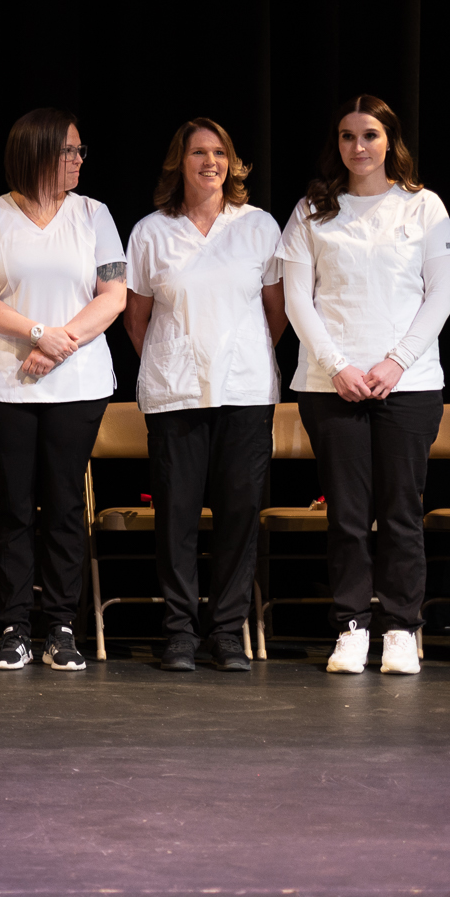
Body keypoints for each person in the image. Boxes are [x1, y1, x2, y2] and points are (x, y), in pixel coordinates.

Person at [281, 96, 450, 675]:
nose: (357, 146)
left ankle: (403, 629)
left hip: (407, 384)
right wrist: (338, 365)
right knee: (348, 514)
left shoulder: (423, 207)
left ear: (390, 142)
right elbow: (296, 301)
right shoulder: (312, 210)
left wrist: (396, 362)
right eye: (347, 136)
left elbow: (441, 296)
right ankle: (352, 625)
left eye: (370, 135)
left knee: (402, 512)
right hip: (329, 382)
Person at [0, 107, 127, 672]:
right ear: (37, 153)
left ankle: (59, 625)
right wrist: (35, 333)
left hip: (76, 382)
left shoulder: (95, 214)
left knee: (63, 506)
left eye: (81, 151)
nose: (79, 160)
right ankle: (13, 626)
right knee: (14, 506)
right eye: (69, 151)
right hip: (4, 382)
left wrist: (60, 342)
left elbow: (113, 295)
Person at [123, 118, 285, 673]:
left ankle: (227, 633)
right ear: (180, 162)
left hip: (245, 390)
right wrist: (177, 358)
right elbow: (136, 318)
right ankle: (178, 633)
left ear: (232, 163)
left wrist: (241, 352)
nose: (210, 162)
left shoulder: (259, 226)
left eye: (220, 153)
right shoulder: (150, 232)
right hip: (175, 393)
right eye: (198, 153)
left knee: (240, 514)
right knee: (177, 515)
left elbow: (276, 313)